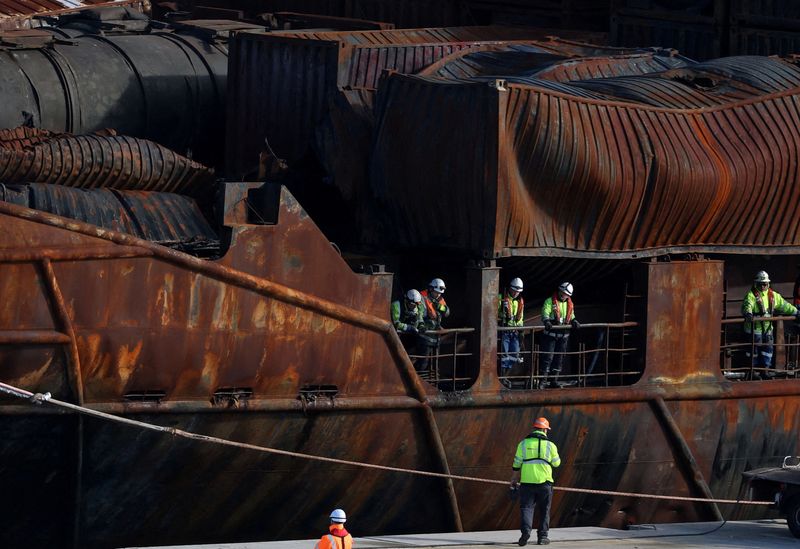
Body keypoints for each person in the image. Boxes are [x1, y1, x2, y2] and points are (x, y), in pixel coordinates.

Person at [511, 417, 561, 546]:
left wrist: (514, 478)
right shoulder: (551, 445)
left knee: (526, 508)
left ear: (534, 428)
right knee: (545, 510)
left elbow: (517, 463)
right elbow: (556, 464)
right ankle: (543, 537)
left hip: (527, 482)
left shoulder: (523, 444)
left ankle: (526, 532)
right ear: (545, 430)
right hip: (545, 482)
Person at [742, 270, 800, 377]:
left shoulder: (773, 296)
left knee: (767, 351)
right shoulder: (751, 296)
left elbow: (784, 305)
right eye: (761, 283)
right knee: (753, 352)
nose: (764, 286)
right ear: (756, 283)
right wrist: (748, 314)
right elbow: (747, 305)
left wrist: (796, 312)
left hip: (768, 329)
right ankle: (752, 372)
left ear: (768, 283)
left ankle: (765, 371)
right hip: (754, 330)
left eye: (765, 283)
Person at [540, 282, 579, 389]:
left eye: (566, 294)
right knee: (547, 357)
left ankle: (554, 381)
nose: (564, 295)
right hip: (550, 336)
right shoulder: (549, 301)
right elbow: (545, 312)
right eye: (563, 293)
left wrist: (574, 321)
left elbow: (572, 316)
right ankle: (542, 381)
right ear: (559, 290)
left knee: (559, 358)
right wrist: (547, 321)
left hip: (563, 337)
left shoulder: (570, 304)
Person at [418, 278, 450, 372]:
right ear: (431, 289)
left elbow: (447, 312)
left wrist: (440, 307)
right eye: (436, 292)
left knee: (435, 363)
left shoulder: (439, 298)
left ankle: (432, 382)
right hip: (425, 335)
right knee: (423, 363)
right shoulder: (422, 297)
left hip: (436, 336)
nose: (438, 294)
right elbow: (420, 315)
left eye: (440, 293)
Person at [499, 278, 525, 371]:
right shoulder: (501, 299)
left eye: (518, 292)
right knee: (504, 354)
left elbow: (521, 317)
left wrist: (521, 329)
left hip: (515, 332)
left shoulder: (520, 302)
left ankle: (505, 375)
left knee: (514, 354)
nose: (516, 293)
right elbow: (493, 314)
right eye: (514, 291)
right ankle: (501, 376)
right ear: (510, 288)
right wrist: (503, 315)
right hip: (504, 331)